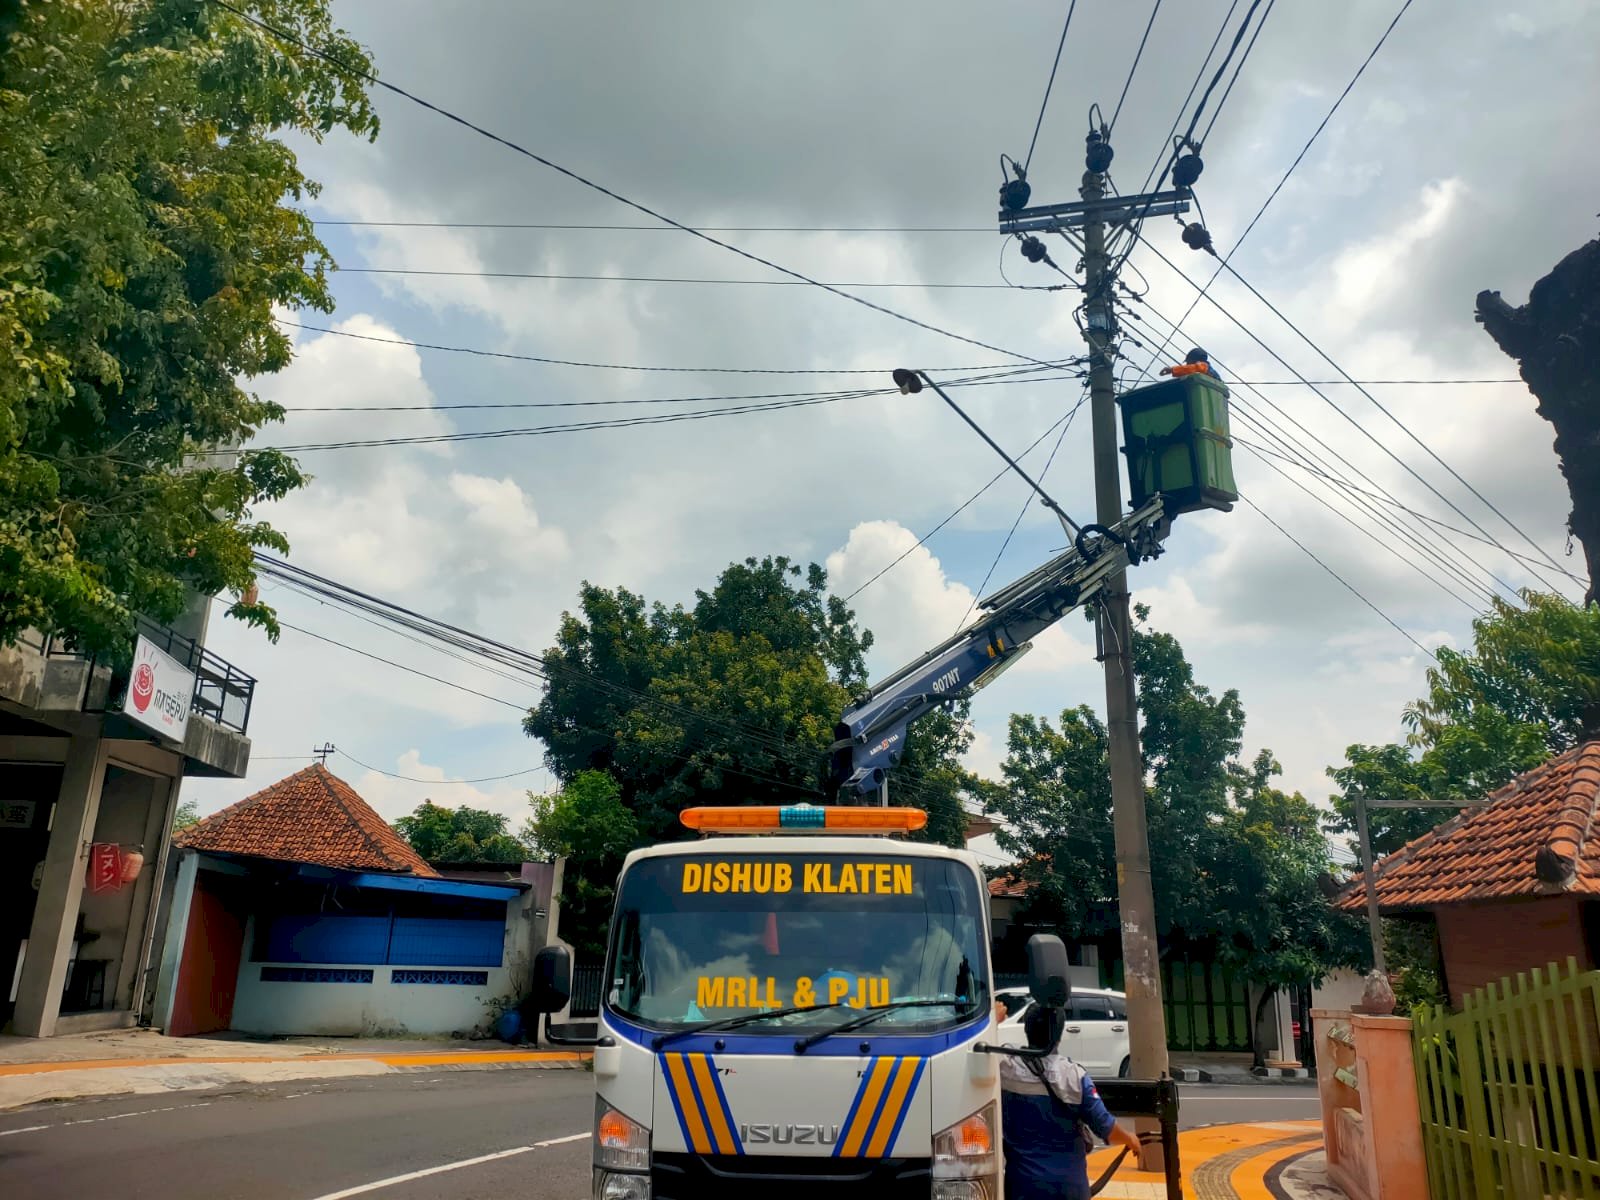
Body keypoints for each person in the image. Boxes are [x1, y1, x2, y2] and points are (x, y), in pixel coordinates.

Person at [1000, 1004, 1140, 1200]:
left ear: (1026, 1030)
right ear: (1060, 1035)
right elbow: (1107, 1129)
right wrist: (1130, 1140)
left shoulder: (1006, 1069)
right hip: (1069, 1189)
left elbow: (973, 1055)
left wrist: (995, 1020)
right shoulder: (1075, 1076)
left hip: (1023, 1188)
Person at [1159, 346, 1224, 384]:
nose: (1187, 365)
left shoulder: (1203, 366)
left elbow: (1190, 369)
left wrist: (1172, 370)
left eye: (1188, 362)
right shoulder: (1206, 371)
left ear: (1197, 361)